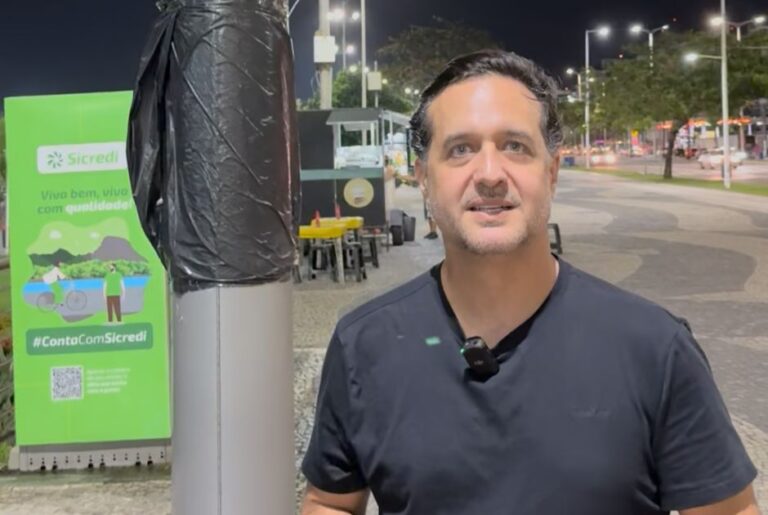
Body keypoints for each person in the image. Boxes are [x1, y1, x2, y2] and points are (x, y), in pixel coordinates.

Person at [300, 50, 759, 515]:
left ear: (552, 171)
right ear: (423, 178)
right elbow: (329, 501)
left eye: (515, 146)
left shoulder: (654, 348)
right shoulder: (364, 345)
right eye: (460, 149)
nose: (490, 174)